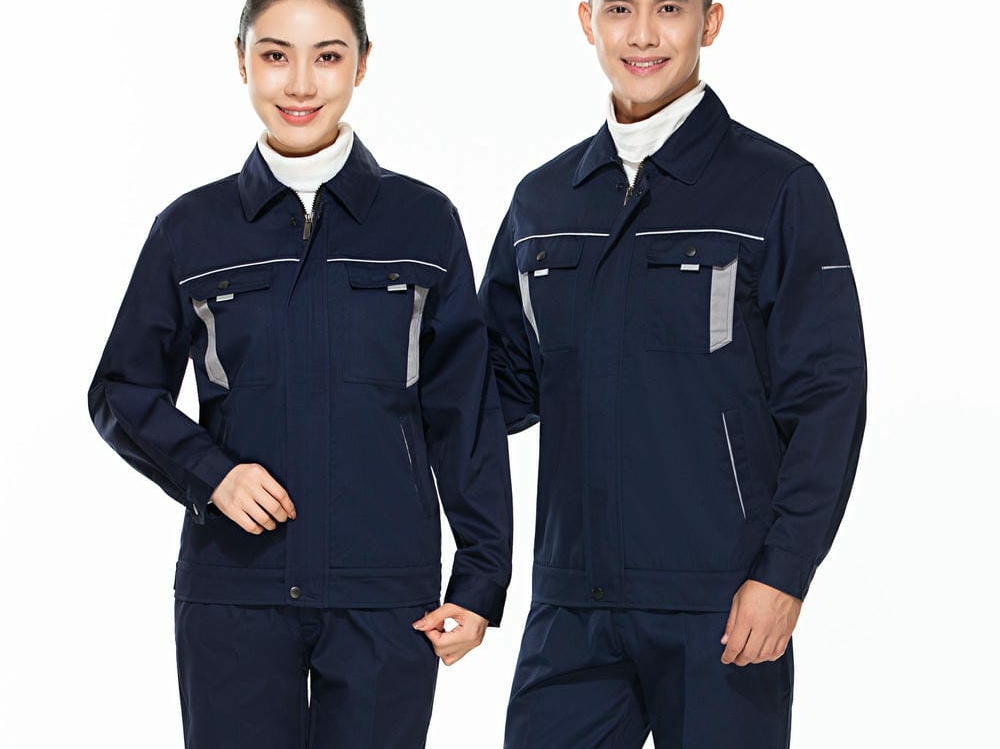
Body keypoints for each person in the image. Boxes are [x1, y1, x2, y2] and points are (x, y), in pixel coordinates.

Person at [88, 1, 513, 747]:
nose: (301, 84)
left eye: (328, 56)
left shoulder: (422, 221)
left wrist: (481, 579)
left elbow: (464, 413)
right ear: (242, 60)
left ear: (362, 63)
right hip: (236, 588)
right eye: (276, 55)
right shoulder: (192, 229)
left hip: (385, 593)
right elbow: (122, 390)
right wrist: (212, 473)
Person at [478, 2, 866, 747]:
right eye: (620, 9)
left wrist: (783, 573)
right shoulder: (543, 201)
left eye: (669, 8)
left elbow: (829, 397)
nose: (643, 34)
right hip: (572, 606)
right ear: (587, 19)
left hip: (723, 602)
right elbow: (495, 390)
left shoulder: (776, 188)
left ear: (710, 21)